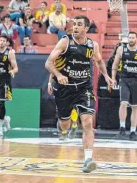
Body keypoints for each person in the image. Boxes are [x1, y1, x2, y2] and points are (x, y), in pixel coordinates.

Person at [45, 15, 114, 173]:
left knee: (88, 122)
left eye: (79, 25)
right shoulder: (65, 42)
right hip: (64, 88)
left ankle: (88, 159)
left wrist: (106, 76)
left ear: (86, 28)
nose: (75, 27)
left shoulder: (92, 45)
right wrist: (59, 75)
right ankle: (62, 124)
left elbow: (99, 61)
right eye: (74, 24)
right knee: (65, 124)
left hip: (84, 88)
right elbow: (48, 62)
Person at [112, 32, 137, 141]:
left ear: (136, 39)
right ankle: (122, 128)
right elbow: (115, 64)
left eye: (133, 37)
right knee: (123, 103)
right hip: (124, 79)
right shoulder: (121, 49)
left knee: (135, 106)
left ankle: (133, 131)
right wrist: (113, 78)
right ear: (127, 39)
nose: (131, 39)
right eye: (130, 38)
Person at [47, 73, 80, 139]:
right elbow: (52, 72)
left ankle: (74, 126)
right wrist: (49, 84)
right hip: (60, 87)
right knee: (61, 109)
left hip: (72, 86)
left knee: (73, 108)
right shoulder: (58, 64)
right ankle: (63, 132)